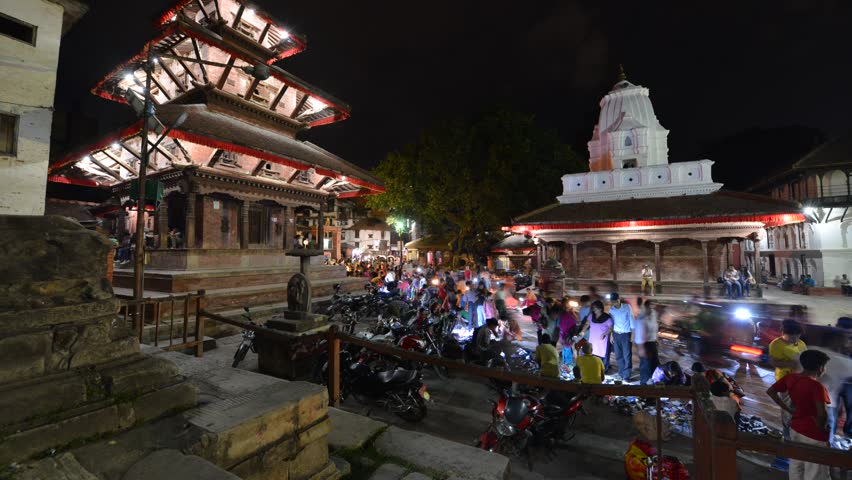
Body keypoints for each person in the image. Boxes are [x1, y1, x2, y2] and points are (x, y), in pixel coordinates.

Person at [766, 350, 832, 480]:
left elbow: (771, 391)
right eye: (824, 367)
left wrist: (788, 410)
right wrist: (824, 431)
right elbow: (822, 415)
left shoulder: (791, 378)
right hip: (813, 433)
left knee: (796, 464)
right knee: (815, 470)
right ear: (820, 368)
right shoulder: (817, 387)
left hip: (795, 428)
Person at [769, 319, 808, 442]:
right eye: (792, 337)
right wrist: (793, 363)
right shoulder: (776, 344)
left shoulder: (801, 343)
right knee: (787, 408)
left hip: (801, 380)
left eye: (798, 336)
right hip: (785, 381)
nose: (795, 339)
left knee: (799, 407)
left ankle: (797, 430)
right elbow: (775, 362)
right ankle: (787, 433)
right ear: (784, 333)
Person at [608, 293, 635, 381]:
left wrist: (633, 334)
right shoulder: (611, 310)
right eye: (612, 302)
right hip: (616, 334)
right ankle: (621, 372)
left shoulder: (627, 307)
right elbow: (611, 323)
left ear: (619, 300)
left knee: (627, 355)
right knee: (618, 355)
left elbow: (631, 319)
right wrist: (611, 335)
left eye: (615, 301)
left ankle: (626, 375)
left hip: (626, 334)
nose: (614, 303)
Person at [634, 300, 659, 385]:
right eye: (650, 307)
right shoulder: (641, 318)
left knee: (654, 364)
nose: (652, 308)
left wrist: (656, 338)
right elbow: (639, 334)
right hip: (644, 344)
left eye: (653, 306)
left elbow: (655, 326)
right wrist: (641, 348)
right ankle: (644, 384)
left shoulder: (654, 314)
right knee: (646, 364)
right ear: (646, 307)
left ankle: (653, 382)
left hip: (652, 342)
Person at [586, 300, 613, 372]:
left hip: (602, 340)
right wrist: (582, 331)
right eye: (593, 308)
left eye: (595, 308)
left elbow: (611, 328)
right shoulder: (591, 316)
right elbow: (587, 324)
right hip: (593, 339)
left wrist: (604, 334)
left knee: (602, 355)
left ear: (600, 308)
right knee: (593, 353)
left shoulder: (607, 318)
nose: (593, 309)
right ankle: (594, 368)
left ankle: (603, 370)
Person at [558, 298, 578, 372]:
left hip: (566, 336)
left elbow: (562, 328)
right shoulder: (568, 316)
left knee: (566, 349)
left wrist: (561, 337)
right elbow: (575, 324)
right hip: (568, 336)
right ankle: (567, 365)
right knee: (567, 349)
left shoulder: (565, 316)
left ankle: (567, 365)